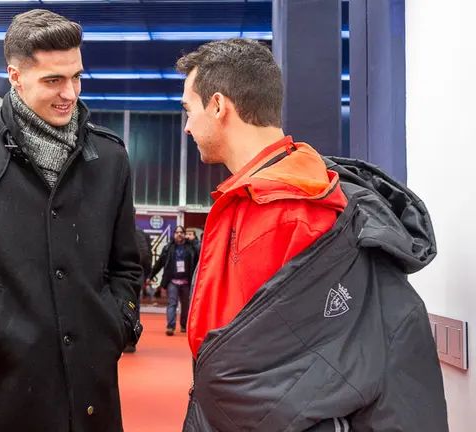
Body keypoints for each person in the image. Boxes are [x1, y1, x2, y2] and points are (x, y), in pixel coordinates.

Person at [178, 39, 447, 431]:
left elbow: (291, 378)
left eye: (189, 109)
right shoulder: (271, 196)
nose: (186, 126)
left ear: (218, 106)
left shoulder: (289, 211)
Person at [0, 9, 142, 432]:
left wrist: (119, 322)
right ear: (15, 77)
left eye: (76, 77)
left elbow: (127, 262)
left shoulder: (111, 158)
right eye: (53, 80)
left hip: (90, 384)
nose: (69, 93)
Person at [147, 226, 199, 335]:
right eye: (177, 232)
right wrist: (150, 276)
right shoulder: (168, 248)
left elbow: (198, 261)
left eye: (181, 232)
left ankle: (184, 325)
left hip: (186, 281)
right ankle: (170, 326)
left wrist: (193, 241)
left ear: (184, 234)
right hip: (172, 281)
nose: (179, 234)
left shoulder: (192, 248)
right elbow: (159, 263)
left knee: (185, 305)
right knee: (172, 303)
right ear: (174, 234)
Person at [124, 226, 154, 353]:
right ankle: (131, 339)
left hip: (123, 273)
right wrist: (145, 274)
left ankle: (127, 338)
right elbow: (147, 257)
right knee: (134, 305)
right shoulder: (141, 234)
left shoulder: (117, 230)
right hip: (137, 274)